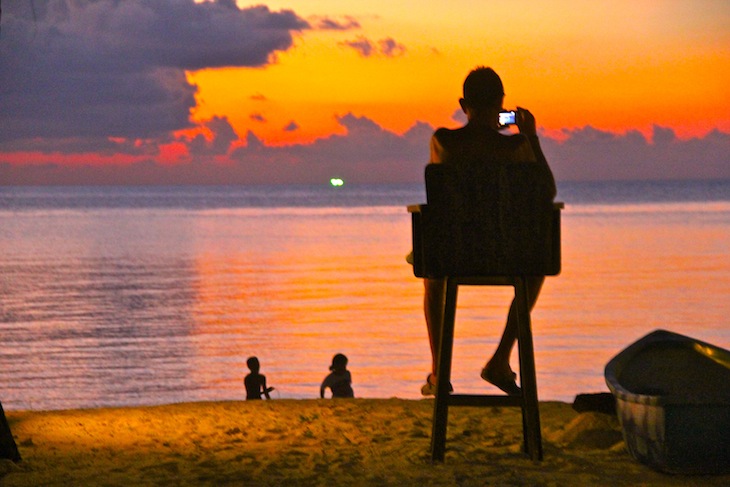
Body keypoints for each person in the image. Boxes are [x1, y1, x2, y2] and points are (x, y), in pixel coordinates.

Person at [420, 66, 556, 397]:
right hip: (507, 257)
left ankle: (440, 372)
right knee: (536, 267)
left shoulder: (443, 141)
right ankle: (500, 359)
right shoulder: (517, 147)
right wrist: (531, 137)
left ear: (463, 103)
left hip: (453, 257)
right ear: (501, 103)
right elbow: (547, 191)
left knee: (432, 269)